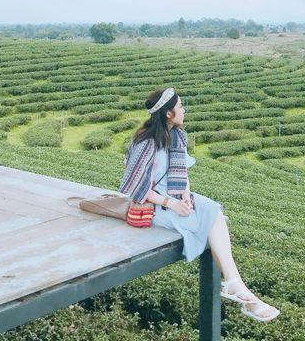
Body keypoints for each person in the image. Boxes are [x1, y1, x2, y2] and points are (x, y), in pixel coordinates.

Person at [119, 87, 280, 323]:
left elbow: (181, 172)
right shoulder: (145, 142)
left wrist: (184, 194)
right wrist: (171, 204)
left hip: (174, 198)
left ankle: (235, 283)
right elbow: (133, 185)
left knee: (213, 209)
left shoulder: (177, 136)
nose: (184, 110)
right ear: (168, 114)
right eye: (180, 106)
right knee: (209, 223)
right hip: (154, 206)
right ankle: (240, 291)